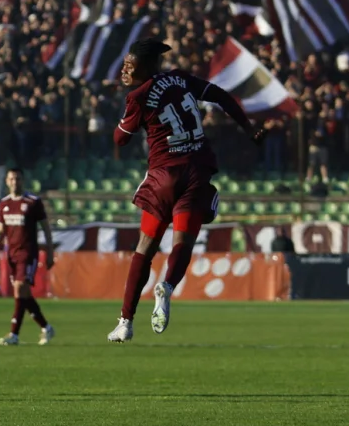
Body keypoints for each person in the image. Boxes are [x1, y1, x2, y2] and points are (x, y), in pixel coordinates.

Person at [107, 38, 265, 343]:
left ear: (146, 65)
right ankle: (166, 287)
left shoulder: (138, 96)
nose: (125, 69)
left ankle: (125, 321)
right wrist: (247, 128)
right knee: (183, 242)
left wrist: (128, 118)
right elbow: (219, 95)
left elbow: (119, 139)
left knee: (144, 248)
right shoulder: (179, 78)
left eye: (130, 64)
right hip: (196, 169)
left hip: (164, 174)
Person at [0, 168, 55, 346]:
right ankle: (46, 327)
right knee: (23, 294)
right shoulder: (4, 204)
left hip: (28, 253)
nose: (14, 182)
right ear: (6, 182)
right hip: (12, 255)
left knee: (19, 289)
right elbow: (1, 230)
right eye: (11, 179)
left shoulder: (33, 202)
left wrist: (50, 251)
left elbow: (46, 228)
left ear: (22, 180)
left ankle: (14, 334)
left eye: (17, 178)